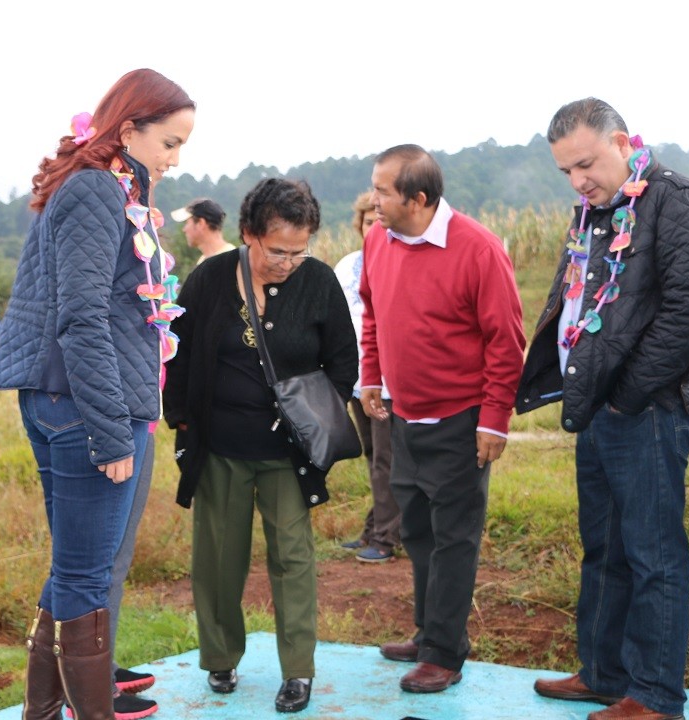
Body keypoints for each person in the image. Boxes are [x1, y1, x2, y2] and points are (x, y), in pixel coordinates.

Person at [0, 68, 195, 720]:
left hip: (76, 401)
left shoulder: (103, 189)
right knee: (85, 576)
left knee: (73, 568)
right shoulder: (96, 192)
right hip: (85, 407)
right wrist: (108, 429)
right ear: (129, 128)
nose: (177, 160)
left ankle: (42, 715)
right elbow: (82, 318)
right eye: (169, 143)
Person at [518, 98, 689, 720]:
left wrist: (629, 393)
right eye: (566, 172)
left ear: (624, 141)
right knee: (603, 548)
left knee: (653, 553)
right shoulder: (595, 211)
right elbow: (574, 300)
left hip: (650, 409)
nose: (578, 180)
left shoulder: (673, 199)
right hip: (599, 407)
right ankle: (604, 674)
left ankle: (655, 697)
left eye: (586, 163)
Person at [163, 177, 358, 714]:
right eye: (277, 250)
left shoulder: (318, 282)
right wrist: (178, 416)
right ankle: (220, 656)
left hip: (287, 457)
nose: (288, 262)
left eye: (300, 250)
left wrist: (315, 416)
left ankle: (298, 671)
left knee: (293, 558)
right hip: (221, 447)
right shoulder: (209, 279)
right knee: (219, 558)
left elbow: (344, 362)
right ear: (248, 234)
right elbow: (177, 349)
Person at [360, 145, 525, 694]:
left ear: (420, 198)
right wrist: (372, 378)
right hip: (404, 415)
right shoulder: (376, 240)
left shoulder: (478, 249)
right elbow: (374, 316)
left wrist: (494, 420)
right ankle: (430, 631)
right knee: (418, 529)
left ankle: (445, 654)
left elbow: (506, 342)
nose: (374, 200)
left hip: (461, 418)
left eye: (384, 191)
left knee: (455, 536)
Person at [333, 190, 400, 563]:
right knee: (373, 455)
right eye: (367, 221)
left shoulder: (401, 261)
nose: (373, 226)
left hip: (390, 382)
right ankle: (375, 528)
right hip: (360, 379)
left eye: (379, 220)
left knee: (387, 459)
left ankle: (387, 538)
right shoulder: (348, 265)